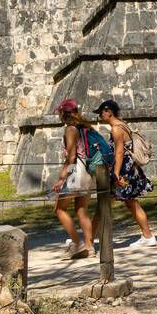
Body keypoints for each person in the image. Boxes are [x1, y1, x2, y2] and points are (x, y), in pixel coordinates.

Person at [94, 98, 157, 248]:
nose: (99, 117)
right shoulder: (123, 125)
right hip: (128, 168)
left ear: (108, 112)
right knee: (127, 202)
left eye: (101, 113)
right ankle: (90, 238)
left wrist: (116, 174)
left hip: (123, 170)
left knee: (119, 202)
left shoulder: (116, 128)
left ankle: (89, 239)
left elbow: (120, 152)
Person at [51, 98, 103, 258]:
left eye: (60, 113)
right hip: (88, 173)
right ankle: (89, 247)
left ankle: (77, 243)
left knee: (59, 209)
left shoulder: (70, 129)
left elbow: (71, 157)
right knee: (81, 209)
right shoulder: (85, 127)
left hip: (76, 173)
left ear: (64, 113)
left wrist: (61, 178)